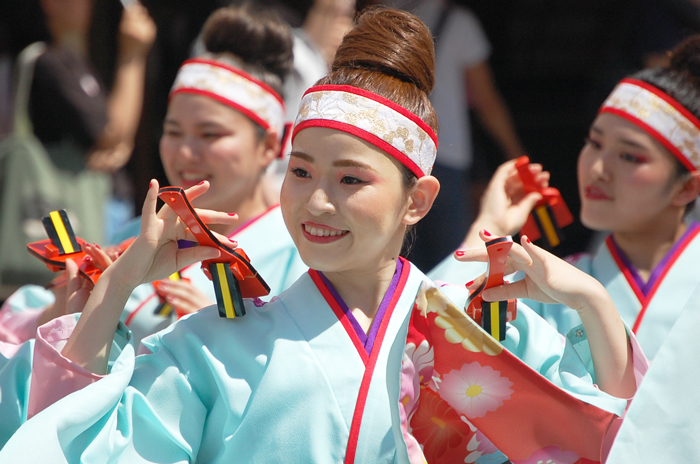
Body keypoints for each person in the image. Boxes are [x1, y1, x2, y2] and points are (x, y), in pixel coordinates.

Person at [0, 8, 645, 463]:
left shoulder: (483, 337)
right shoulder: (211, 349)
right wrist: (114, 288)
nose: (316, 200)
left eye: (351, 180)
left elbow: (604, 441)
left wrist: (591, 300)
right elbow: (75, 448)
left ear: (417, 200)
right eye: (302, 171)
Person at [0, 4, 307, 348]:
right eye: (173, 132)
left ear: (269, 144)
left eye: (210, 135)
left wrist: (232, 334)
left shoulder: (301, 247)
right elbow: (19, 335)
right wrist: (76, 300)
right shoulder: (137, 234)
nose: (185, 152)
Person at [433, 36, 700, 361]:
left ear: (687, 187)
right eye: (595, 143)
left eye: (630, 157)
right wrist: (490, 224)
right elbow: (435, 338)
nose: (598, 169)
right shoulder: (549, 285)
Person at [392, 0, 528, 272]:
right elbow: (486, 101)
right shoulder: (459, 22)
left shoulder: (384, 15)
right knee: (454, 262)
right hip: (447, 158)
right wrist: (516, 152)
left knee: (398, 261)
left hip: (396, 154)